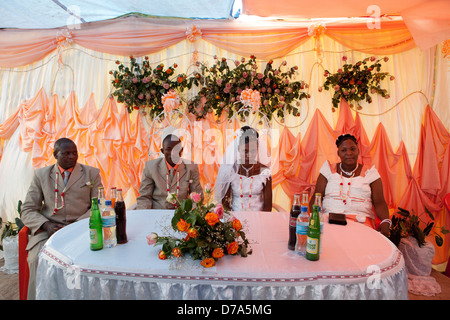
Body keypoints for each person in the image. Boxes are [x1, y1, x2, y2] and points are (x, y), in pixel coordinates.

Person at [21, 138, 103, 299]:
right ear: (55, 155)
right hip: (49, 230)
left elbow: (99, 204)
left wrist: (77, 226)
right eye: (66, 153)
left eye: (75, 153)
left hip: (82, 228)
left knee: (93, 261)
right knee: (37, 259)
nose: (72, 156)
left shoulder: (92, 173)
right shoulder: (41, 175)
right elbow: (28, 209)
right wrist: (45, 225)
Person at [311, 134, 390, 237]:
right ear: (338, 153)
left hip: (361, 225)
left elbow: (379, 202)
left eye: (353, 149)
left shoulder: (370, 174)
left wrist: (386, 221)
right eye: (344, 150)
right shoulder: (327, 170)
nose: (349, 153)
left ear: (358, 151)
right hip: (329, 222)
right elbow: (316, 198)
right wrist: (315, 219)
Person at [136, 133, 203, 209]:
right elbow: (144, 197)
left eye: (176, 149)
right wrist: (145, 216)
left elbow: (197, 195)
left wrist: (193, 214)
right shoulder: (151, 167)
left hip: (182, 215)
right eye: (168, 149)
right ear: (162, 151)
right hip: (157, 213)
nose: (173, 153)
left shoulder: (191, 167)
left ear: (181, 150)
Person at [215, 126, 272, 212]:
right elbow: (225, 205)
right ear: (238, 149)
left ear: (257, 149)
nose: (249, 155)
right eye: (245, 151)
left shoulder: (265, 171)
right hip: (235, 221)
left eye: (252, 151)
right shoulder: (230, 171)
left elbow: (268, 207)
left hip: (259, 219)